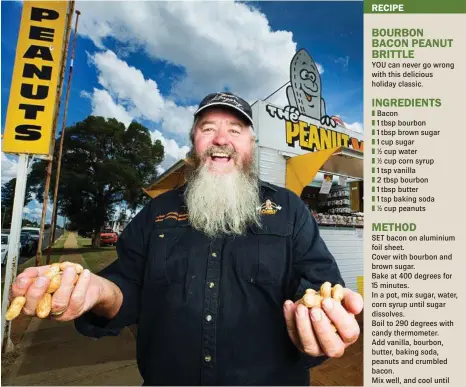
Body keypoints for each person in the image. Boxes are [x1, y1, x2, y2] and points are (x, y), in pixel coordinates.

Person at [10, 92, 363, 386]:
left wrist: (319, 319)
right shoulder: (156, 213)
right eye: (207, 129)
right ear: (194, 143)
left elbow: (320, 284)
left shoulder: (288, 209)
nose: (221, 139)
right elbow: (127, 284)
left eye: (235, 130)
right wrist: (98, 291)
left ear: (251, 145)